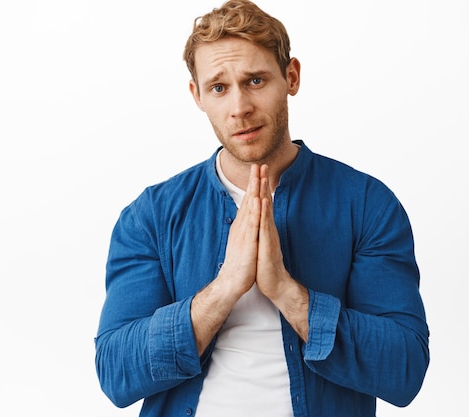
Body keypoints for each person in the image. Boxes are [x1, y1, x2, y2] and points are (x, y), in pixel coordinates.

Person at [94, 1, 430, 416]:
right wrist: (225, 287)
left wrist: (287, 292)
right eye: (219, 87)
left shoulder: (366, 204)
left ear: (291, 77)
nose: (240, 107)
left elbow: (405, 369)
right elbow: (115, 372)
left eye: (255, 80)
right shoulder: (150, 216)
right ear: (197, 96)